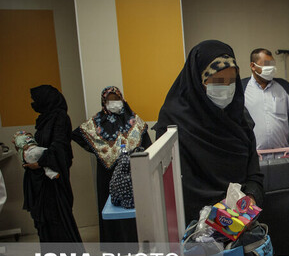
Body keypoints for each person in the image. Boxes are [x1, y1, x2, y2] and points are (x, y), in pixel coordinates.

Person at [153, 40, 264, 222]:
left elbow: (254, 174)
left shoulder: (240, 118)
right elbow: (179, 185)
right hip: (195, 223)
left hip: (241, 219)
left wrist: (250, 198)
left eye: (231, 81)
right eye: (218, 81)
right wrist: (217, 215)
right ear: (198, 81)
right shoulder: (174, 122)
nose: (226, 88)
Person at [72, 86, 152, 244]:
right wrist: (101, 151)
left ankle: (136, 241)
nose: (114, 103)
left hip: (131, 172)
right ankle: (115, 245)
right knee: (111, 207)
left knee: (132, 208)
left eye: (117, 99)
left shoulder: (134, 120)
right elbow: (79, 135)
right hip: (107, 174)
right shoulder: (97, 122)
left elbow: (147, 144)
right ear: (104, 102)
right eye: (110, 100)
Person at [22, 85, 82, 244]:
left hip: (54, 179)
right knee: (47, 222)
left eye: (36, 100)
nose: (33, 103)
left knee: (57, 218)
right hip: (43, 179)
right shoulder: (45, 118)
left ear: (46, 100)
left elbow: (60, 146)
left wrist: (40, 163)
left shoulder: (60, 118)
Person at [242, 48, 289, 152]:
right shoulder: (242, 89)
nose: (271, 68)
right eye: (266, 64)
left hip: (283, 153)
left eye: (272, 64)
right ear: (253, 66)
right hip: (255, 154)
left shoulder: (283, 87)